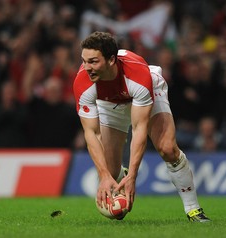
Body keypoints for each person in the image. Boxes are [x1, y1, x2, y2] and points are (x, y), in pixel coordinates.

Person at [73, 31, 210, 222]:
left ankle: (193, 209)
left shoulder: (137, 75)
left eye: (93, 61)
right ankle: (120, 175)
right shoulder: (83, 82)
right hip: (109, 103)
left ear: (111, 60)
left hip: (145, 92)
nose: (87, 67)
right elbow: (91, 133)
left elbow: (139, 129)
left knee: (167, 148)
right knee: (111, 173)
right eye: (84, 61)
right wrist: (104, 175)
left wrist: (133, 177)